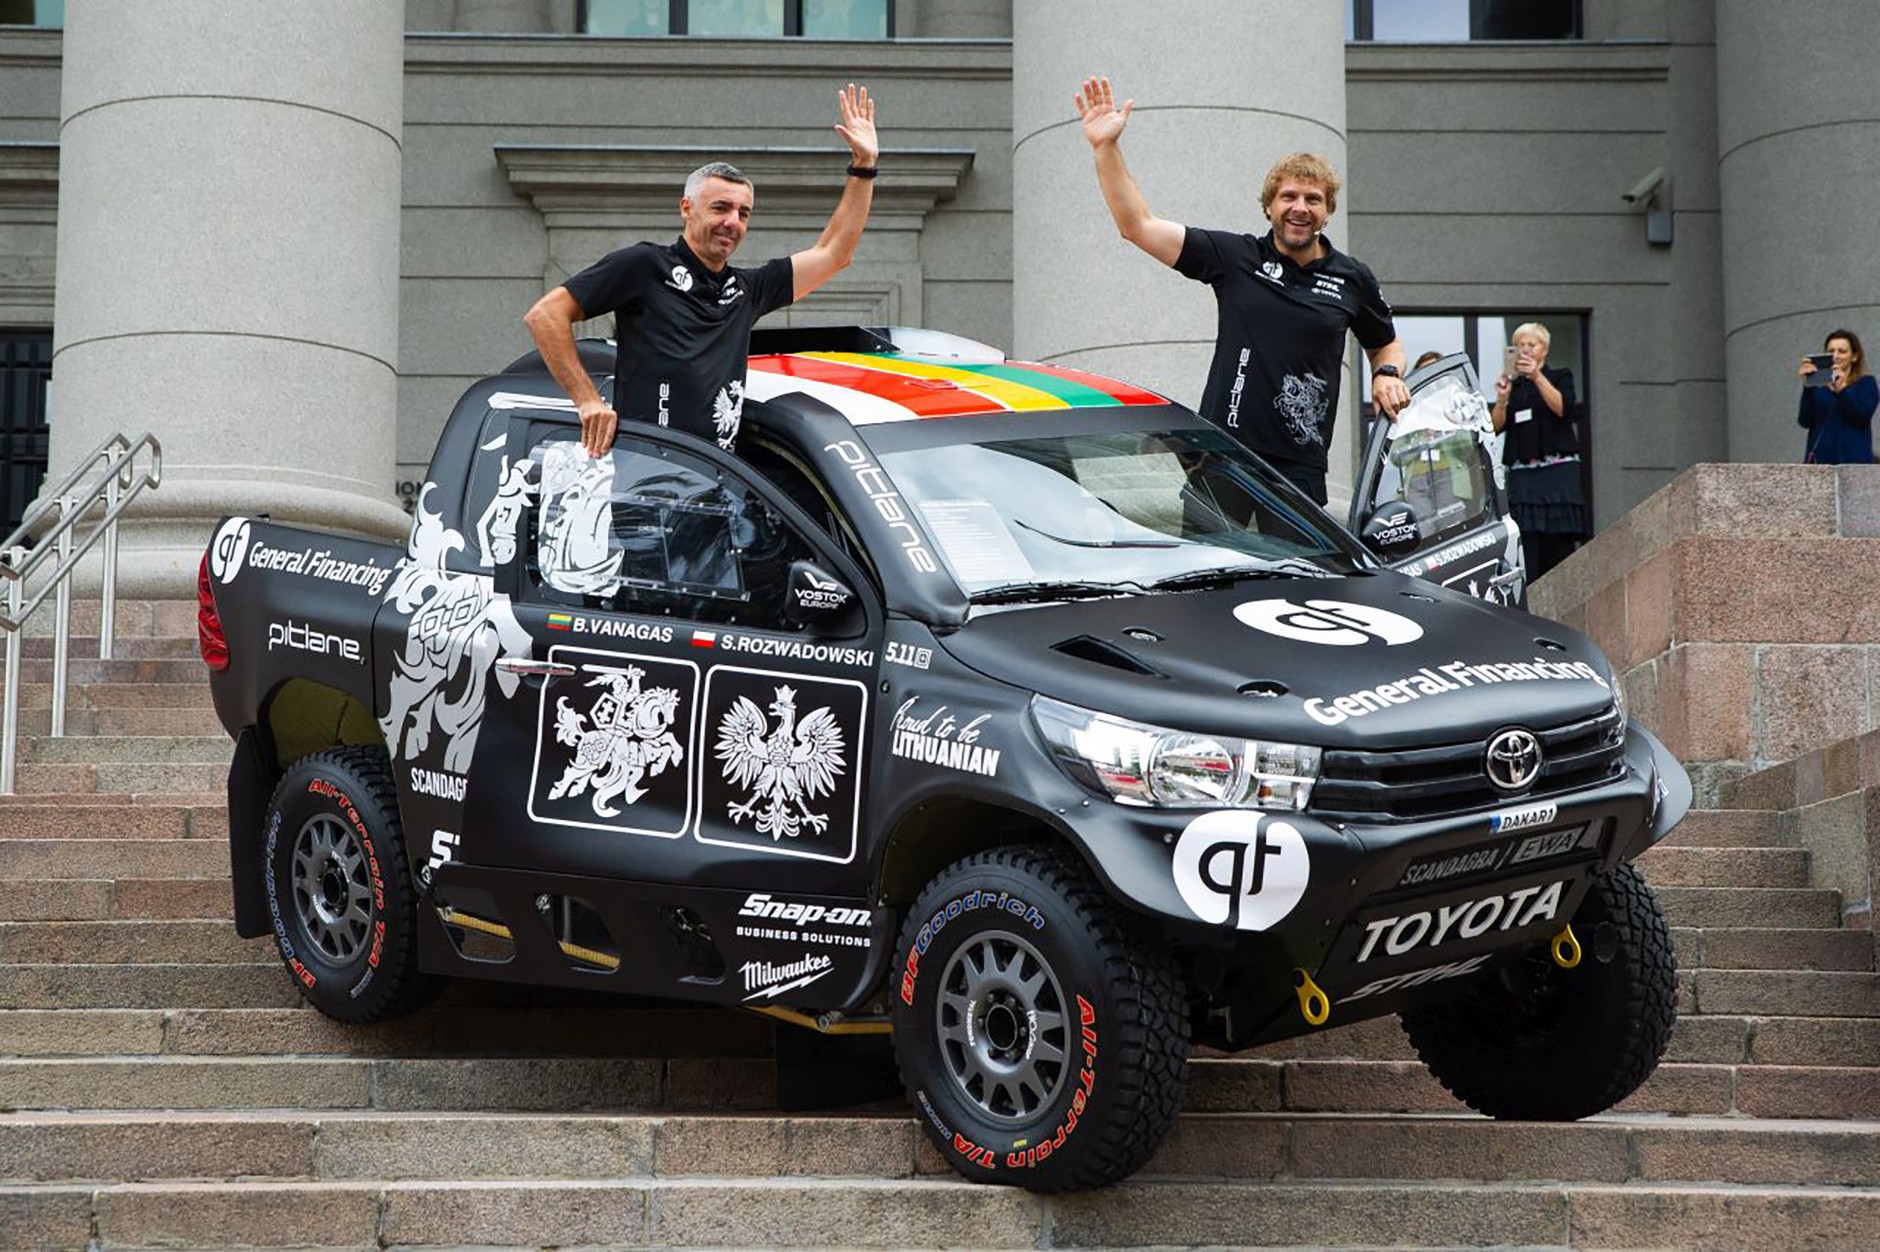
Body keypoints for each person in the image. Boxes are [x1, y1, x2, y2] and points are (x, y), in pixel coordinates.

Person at [1074, 76, 1409, 506]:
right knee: (1212, 574)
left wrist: (1387, 375)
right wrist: (1106, 148)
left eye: (1313, 199)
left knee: (1295, 575)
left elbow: (1387, 344)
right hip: (1222, 456)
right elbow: (1137, 225)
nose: (1300, 208)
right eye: (1289, 196)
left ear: (1327, 212)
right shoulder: (1236, 258)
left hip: (1300, 470)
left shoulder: (1352, 278)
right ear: (1269, 205)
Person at [524, 83, 880, 458]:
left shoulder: (747, 290)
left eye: (743, 214)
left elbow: (834, 253)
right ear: (686, 208)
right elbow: (545, 315)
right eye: (720, 208)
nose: (732, 222)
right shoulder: (646, 265)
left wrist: (864, 167)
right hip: (647, 483)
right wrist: (588, 401)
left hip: (716, 484)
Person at [1491, 321, 1584, 581]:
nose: (1525, 350)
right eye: (1520, 345)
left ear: (1544, 350)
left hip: (1557, 474)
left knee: (1560, 546)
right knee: (1526, 545)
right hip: (1524, 477)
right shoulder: (1514, 388)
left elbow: (1563, 409)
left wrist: (1537, 377)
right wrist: (1501, 398)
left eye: (1531, 345)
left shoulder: (1560, 376)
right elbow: (1494, 427)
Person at [1797, 328, 1876, 464]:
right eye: (1831, 351)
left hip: (1854, 461)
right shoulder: (1818, 385)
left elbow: (1861, 416)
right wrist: (1807, 387)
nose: (1836, 356)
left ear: (1854, 356)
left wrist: (1842, 389)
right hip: (1821, 462)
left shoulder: (1865, 383)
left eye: (1842, 351)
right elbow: (1805, 421)